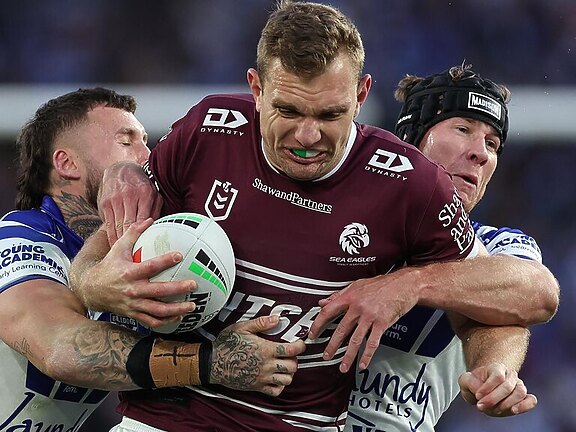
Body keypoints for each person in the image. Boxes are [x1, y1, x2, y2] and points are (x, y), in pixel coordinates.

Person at [68, 1, 487, 431]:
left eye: (330, 114)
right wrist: (98, 285)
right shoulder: (207, 131)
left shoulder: (410, 183)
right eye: (287, 111)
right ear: (256, 88)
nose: (307, 137)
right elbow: (94, 264)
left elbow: (510, 295)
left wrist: (416, 287)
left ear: (361, 95)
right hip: (163, 421)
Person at [0, 88, 300, 431]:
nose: (148, 155)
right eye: (126, 141)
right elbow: (58, 348)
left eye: (146, 141)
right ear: (66, 164)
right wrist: (211, 362)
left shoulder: (137, 256)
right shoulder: (20, 236)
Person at [341, 65, 560, 431]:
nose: (481, 154)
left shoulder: (495, 247)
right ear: (411, 136)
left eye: (492, 144)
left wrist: (494, 370)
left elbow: (535, 295)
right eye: (463, 130)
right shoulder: (341, 214)